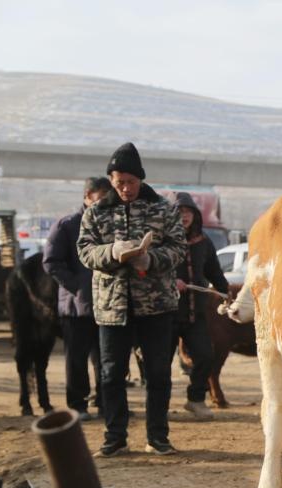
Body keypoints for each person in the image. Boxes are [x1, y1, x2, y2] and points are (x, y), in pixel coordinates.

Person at [77, 142, 187, 457]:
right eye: (119, 182)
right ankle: (114, 437)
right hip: (113, 307)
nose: (125, 189)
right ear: (111, 180)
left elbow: (179, 247)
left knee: (157, 373)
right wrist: (112, 252)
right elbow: (84, 251)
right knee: (111, 374)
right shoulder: (96, 212)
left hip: (156, 305)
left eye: (131, 182)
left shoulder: (163, 209)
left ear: (140, 179)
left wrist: (150, 259)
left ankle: (157, 437)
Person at [42, 176, 112, 420]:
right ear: (87, 197)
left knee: (106, 358)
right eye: (100, 197)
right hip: (76, 307)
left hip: (108, 305)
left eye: (107, 197)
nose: (105, 202)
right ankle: (78, 406)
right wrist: (78, 286)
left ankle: (106, 403)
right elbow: (51, 262)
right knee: (77, 359)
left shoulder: (110, 225)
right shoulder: (67, 225)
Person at [171, 191, 229, 419]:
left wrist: (225, 292)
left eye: (188, 212)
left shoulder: (203, 242)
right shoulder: (162, 239)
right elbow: (152, 269)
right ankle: (158, 406)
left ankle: (196, 399)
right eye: (179, 212)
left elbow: (213, 270)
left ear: (195, 215)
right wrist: (170, 281)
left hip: (196, 313)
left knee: (205, 355)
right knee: (160, 362)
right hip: (168, 313)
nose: (184, 217)